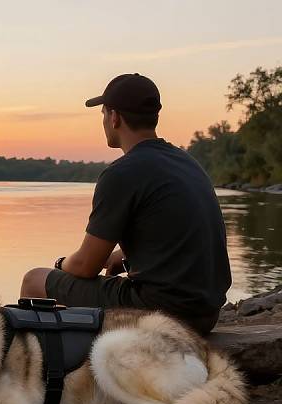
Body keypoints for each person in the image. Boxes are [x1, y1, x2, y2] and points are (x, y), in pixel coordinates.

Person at [20, 73, 231, 335]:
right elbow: (182, 236)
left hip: (164, 317)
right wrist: (125, 256)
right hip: (205, 314)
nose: (104, 122)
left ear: (114, 117)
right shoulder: (186, 162)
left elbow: (86, 266)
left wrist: (61, 263)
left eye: (103, 114)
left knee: (34, 280)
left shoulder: (122, 173)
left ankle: (47, 368)